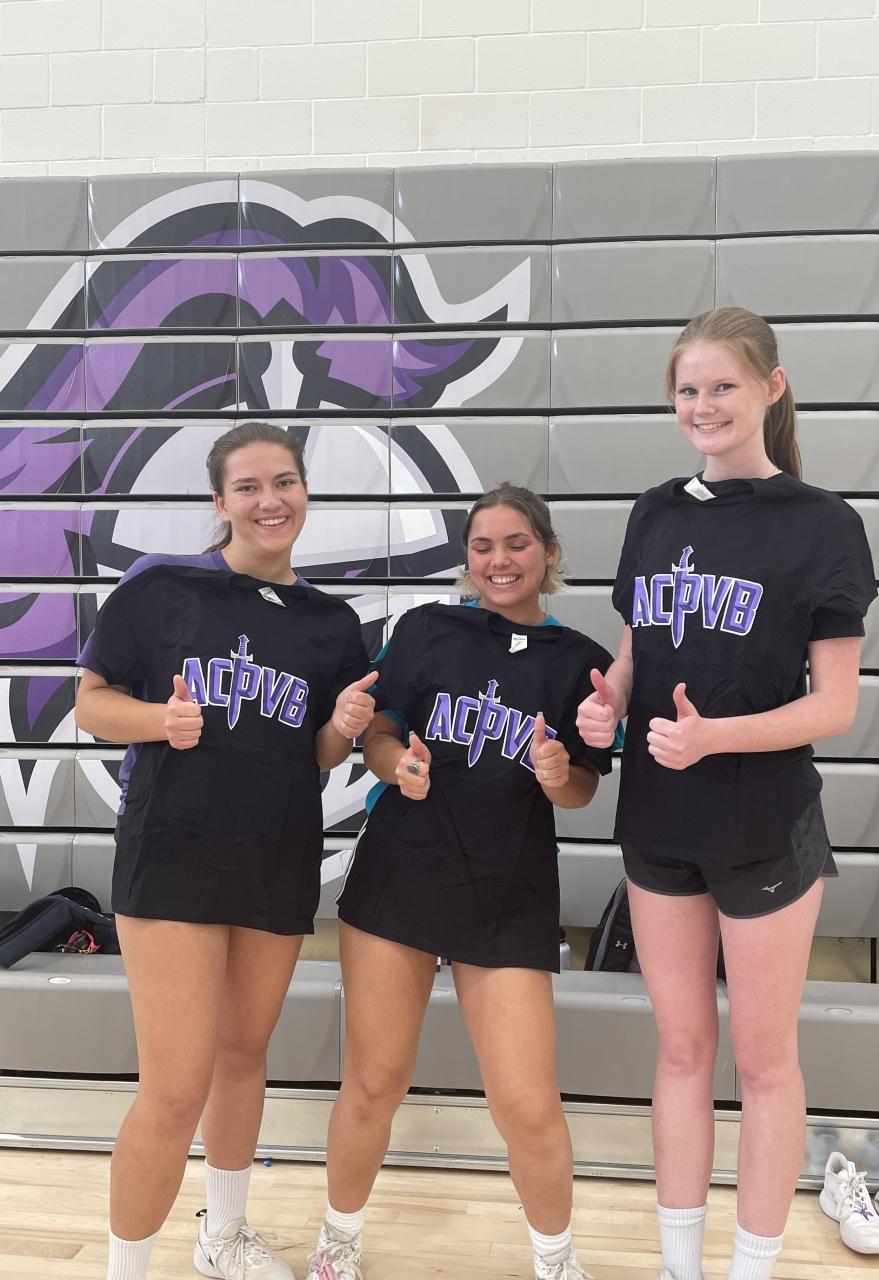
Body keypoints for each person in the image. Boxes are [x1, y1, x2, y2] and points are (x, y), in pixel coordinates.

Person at [577, 307, 877, 1280]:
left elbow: (834, 705)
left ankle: (751, 1269)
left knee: (764, 1060)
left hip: (765, 825)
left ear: (771, 388)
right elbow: (634, 651)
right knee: (679, 1051)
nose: (702, 405)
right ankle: (681, 1267)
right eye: (687, 389)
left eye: (722, 386)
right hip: (658, 822)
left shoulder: (823, 525)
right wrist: (607, 706)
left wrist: (713, 737)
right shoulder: (655, 512)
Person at [75, 422, 378, 1280]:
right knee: (174, 1088)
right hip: (173, 854)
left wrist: (341, 726)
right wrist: (159, 721)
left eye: (284, 482)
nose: (269, 500)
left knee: (244, 1057)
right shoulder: (161, 585)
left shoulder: (331, 623)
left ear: (305, 492)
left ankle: (224, 1236)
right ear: (220, 501)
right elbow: (90, 704)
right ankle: (126, 1270)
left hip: (277, 856)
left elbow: (313, 755)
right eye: (248, 486)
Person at [307, 484, 614, 1280]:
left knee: (527, 1103)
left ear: (548, 553)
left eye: (516, 544)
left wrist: (558, 774)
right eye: (483, 546)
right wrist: (395, 766)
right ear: (467, 559)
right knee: (374, 1081)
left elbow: (582, 786)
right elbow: (378, 732)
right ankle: (337, 1242)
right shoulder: (425, 629)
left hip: (508, 887)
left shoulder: (580, 661)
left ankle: (557, 1261)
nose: (498, 560)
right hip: (401, 874)